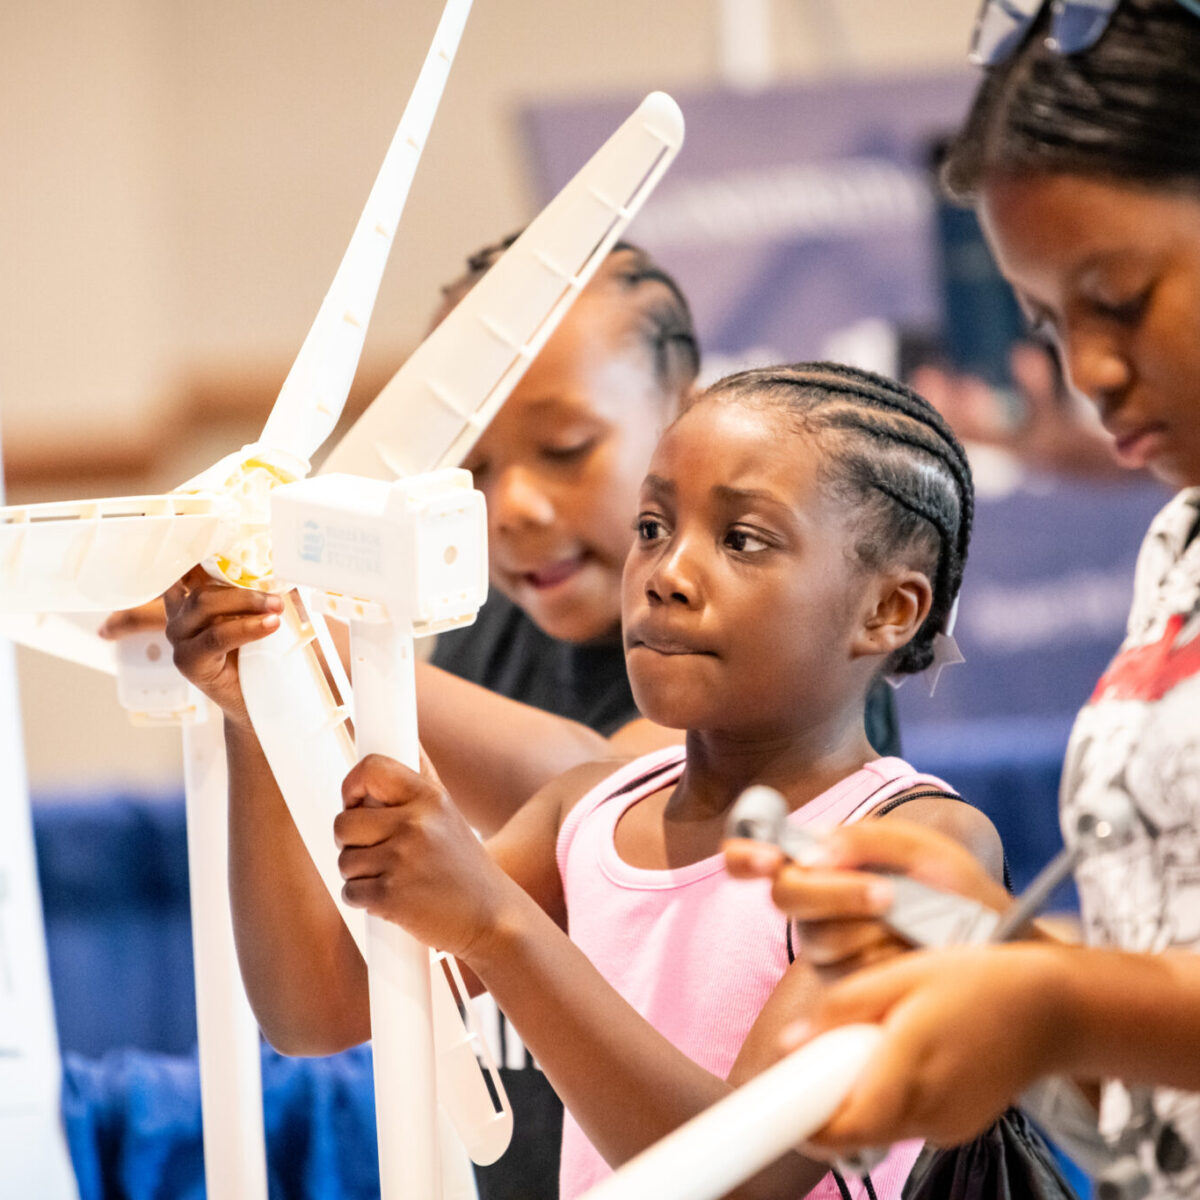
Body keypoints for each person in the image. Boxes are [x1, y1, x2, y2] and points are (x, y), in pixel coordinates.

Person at [169, 361, 1003, 1198]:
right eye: (652, 527)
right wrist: (257, 711)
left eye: (742, 539)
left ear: (889, 611)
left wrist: (495, 924)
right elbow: (314, 1010)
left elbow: (747, 1179)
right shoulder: (587, 813)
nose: (666, 574)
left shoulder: (918, 845)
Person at [725, 3, 1200, 1193]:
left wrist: (1054, 996)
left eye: (1121, 298)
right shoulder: (1180, 553)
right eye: (1047, 321)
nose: (1083, 374)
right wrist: (989, 944)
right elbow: (1154, 1107)